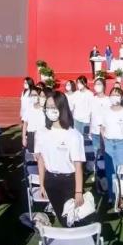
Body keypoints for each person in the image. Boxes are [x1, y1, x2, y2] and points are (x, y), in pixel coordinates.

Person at [35, 91, 86, 225]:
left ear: (62, 108)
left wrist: (78, 192)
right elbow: (41, 160)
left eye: (53, 107)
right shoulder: (41, 133)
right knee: (63, 219)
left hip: (69, 182)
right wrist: (41, 184)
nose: (50, 110)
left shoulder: (73, 135)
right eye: (48, 107)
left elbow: (78, 166)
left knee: (73, 220)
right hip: (51, 181)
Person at [100, 87, 123, 203]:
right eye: (113, 94)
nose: (115, 97)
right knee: (110, 171)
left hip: (122, 144)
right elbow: (102, 128)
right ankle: (112, 195)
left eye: (117, 95)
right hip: (109, 143)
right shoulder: (105, 111)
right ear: (109, 96)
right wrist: (104, 143)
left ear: (121, 97)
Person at [89, 78, 110, 158]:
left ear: (104, 86)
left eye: (99, 84)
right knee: (96, 154)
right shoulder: (92, 99)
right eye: (96, 84)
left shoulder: (108, 100)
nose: (97, 86)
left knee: (106, 153)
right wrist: (90, 130)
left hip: (106, 131)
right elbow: (91, 115)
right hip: (95, 130)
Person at [21, 86, 45, 155]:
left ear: (39, 96)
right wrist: (24, 137)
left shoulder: (44, 109)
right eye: (31, 95)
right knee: (32, 156)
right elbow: (25, 123)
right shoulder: (29, 108)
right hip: (31, 135)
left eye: (35, 95)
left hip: (42, 135)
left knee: (42, 156)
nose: (33, 97)